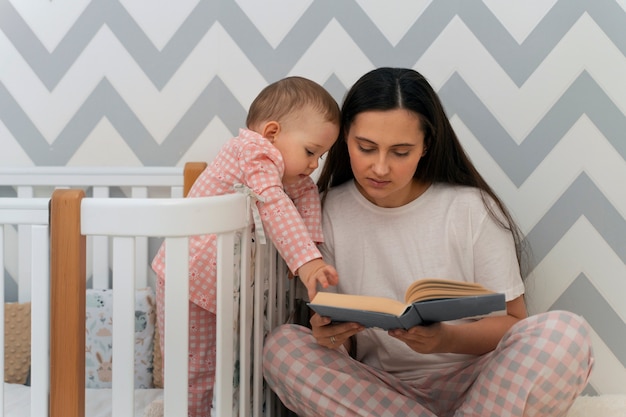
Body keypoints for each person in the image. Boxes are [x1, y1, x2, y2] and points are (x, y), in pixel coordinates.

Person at [262, 68, 594, 417]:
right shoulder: (324, 210)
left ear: (426, 147)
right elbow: (342, 340)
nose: (380, 167)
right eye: (366, 147)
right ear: (345, 139)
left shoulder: (471, 208)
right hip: (378, 393)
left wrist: (445, 339)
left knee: (566, 333)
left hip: (479, 384)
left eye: (400, 152)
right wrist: (328, 334)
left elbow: (513, 322)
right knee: (283, 347)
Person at [152, 76, 341, 416]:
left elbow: (306, 193)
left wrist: (313, 249)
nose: (315, 165)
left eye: (321, 156)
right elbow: (271, 202)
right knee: (193, 372)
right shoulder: (252, 152)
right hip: (186, 281)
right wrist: (305, 261)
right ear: (272, 134)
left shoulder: (285, 171)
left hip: (219, 286)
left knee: (218, 367)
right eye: (311, 151)